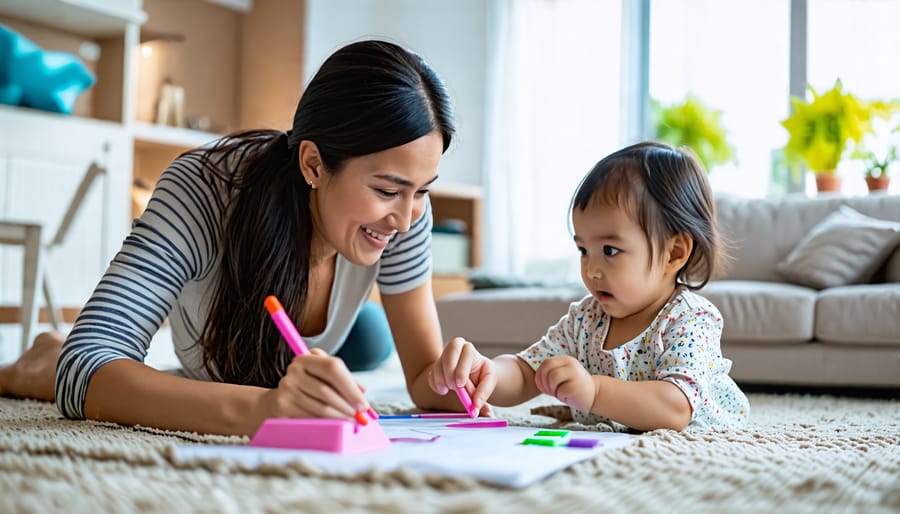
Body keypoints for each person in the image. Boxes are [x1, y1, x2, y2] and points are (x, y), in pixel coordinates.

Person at [0, 39, 483, 436]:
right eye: (387, 190)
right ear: (313, 163)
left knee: (370, 339)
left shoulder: (407, 213)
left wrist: (463, 376)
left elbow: (424, 383)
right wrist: (262, 411)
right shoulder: (201, 190)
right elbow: (86, 364)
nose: (405, 219)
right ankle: (39, 356)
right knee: (62, 366)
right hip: (229, 356)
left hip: (339, 338)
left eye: (422, 191)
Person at [430, 141, 749, 432]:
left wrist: (594, 391)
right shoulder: (587, 319)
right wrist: (486, 372)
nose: (592, 270)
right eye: (584, 250)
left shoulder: (691, 319)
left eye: (610, 250)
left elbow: (675, 408)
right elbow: (527, 372)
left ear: (674, 253)